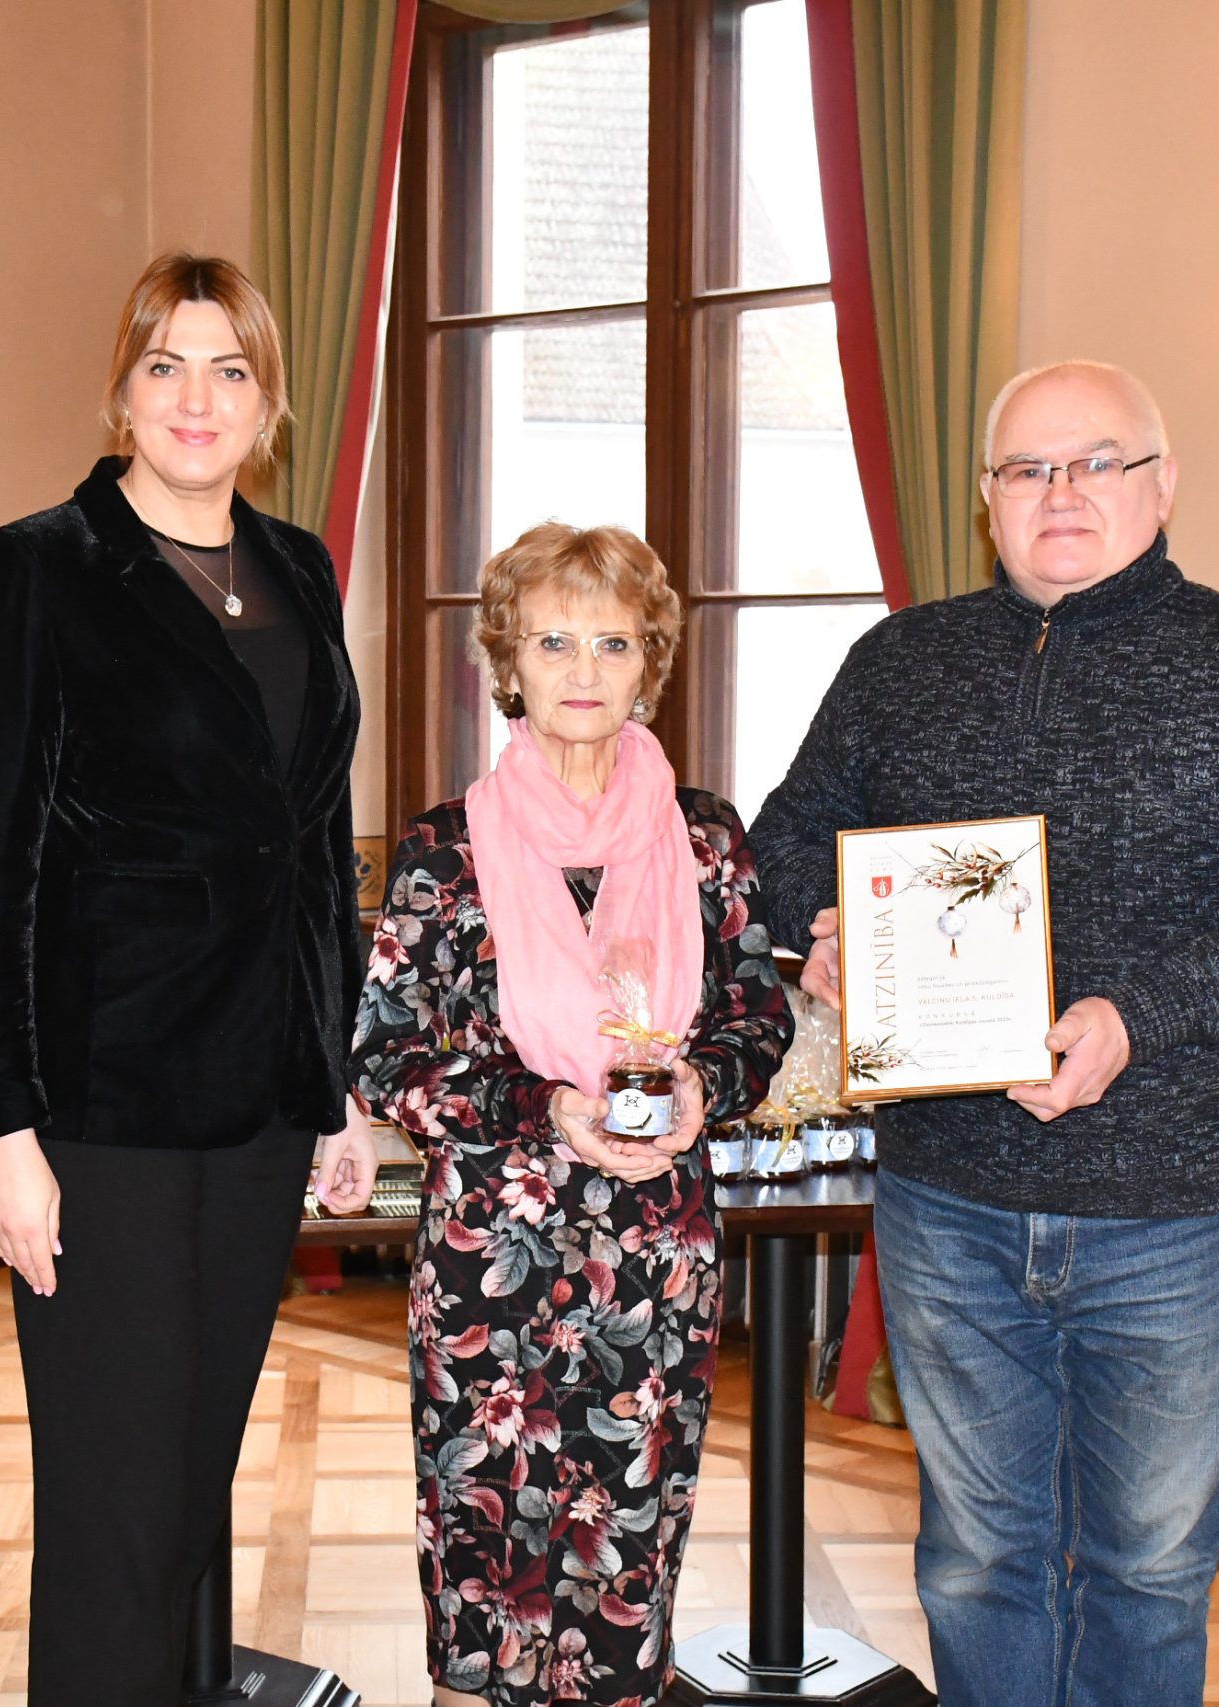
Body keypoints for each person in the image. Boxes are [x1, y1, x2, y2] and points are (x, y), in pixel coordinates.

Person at [751, 361, 1219, 1706]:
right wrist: (823, 926)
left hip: (1175, 1209)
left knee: (1148, 1571)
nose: (1061, 492)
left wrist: (1133, 1018)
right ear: (985, 498)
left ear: (1163, 485)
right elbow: (784, 842)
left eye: (1098, 461)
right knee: (973, 1560)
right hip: (947, 1196)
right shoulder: (899, 663)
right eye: (1027, 468)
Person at [0, 252, 379, 1707]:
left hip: (261, 1104)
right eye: (166, 365)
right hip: (102, 1110)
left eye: (229, 369)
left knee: (188, 1493)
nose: (198, 399)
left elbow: (318, 846)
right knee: (112, 1514)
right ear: (121, 389)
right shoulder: (37, 567)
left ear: (269, 400)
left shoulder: (301, 567)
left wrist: (336, 1082)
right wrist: (6, 1128)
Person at [353, 523, 795, 1707]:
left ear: (650, 661)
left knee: (621, 1589)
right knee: (479, 1594)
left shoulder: (706, 838)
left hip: (653, 1264)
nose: (583, 669)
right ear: (508, 661)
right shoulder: (444, 848)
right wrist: (542, 1105)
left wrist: (706, 1085)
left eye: (612, 641)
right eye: (552, 642)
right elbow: (385, 1057)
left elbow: (756, 1017)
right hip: (489, 1264)